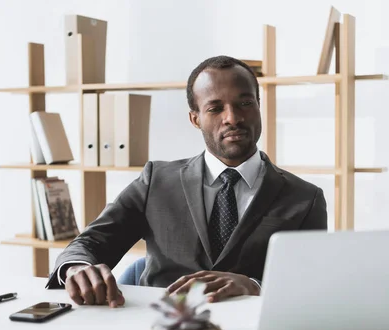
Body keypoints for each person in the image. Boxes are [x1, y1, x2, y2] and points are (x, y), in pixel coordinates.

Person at [45, 55, 328, 307]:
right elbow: (92, 242)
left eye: (244, 103)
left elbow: (312, 285)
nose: (233, 118)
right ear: (195, 119)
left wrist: (255, 286)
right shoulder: (156, 181)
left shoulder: (305, 198)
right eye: (215, 108)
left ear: (258, 106)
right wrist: (76, 268)